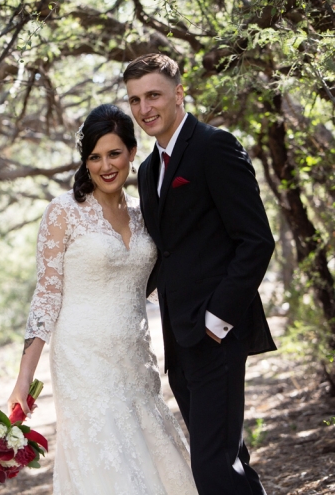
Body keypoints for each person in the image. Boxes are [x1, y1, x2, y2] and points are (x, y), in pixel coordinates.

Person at [7, 104, 198, 494]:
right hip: (82, 358)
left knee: (152, 453)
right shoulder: (63, 212)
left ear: (132, 152)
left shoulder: (145, 213)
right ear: (85, 161)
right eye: (95, 157)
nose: (106, 166)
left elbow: (160, 284)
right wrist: (24, 380)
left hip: (136, 357)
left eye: (114, 153)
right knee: (108, 460)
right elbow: (46, 296)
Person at [123, 53, 276, 495]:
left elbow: (256, 240)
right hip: (179, 337)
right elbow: (167, 253)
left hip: (217, 333)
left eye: (153, 95)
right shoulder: (148, 169)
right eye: (135, 100)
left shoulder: (215, 146)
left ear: (179, 94)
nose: (144, 108)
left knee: (210, 468)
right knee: (228, 460)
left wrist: (217, 319)